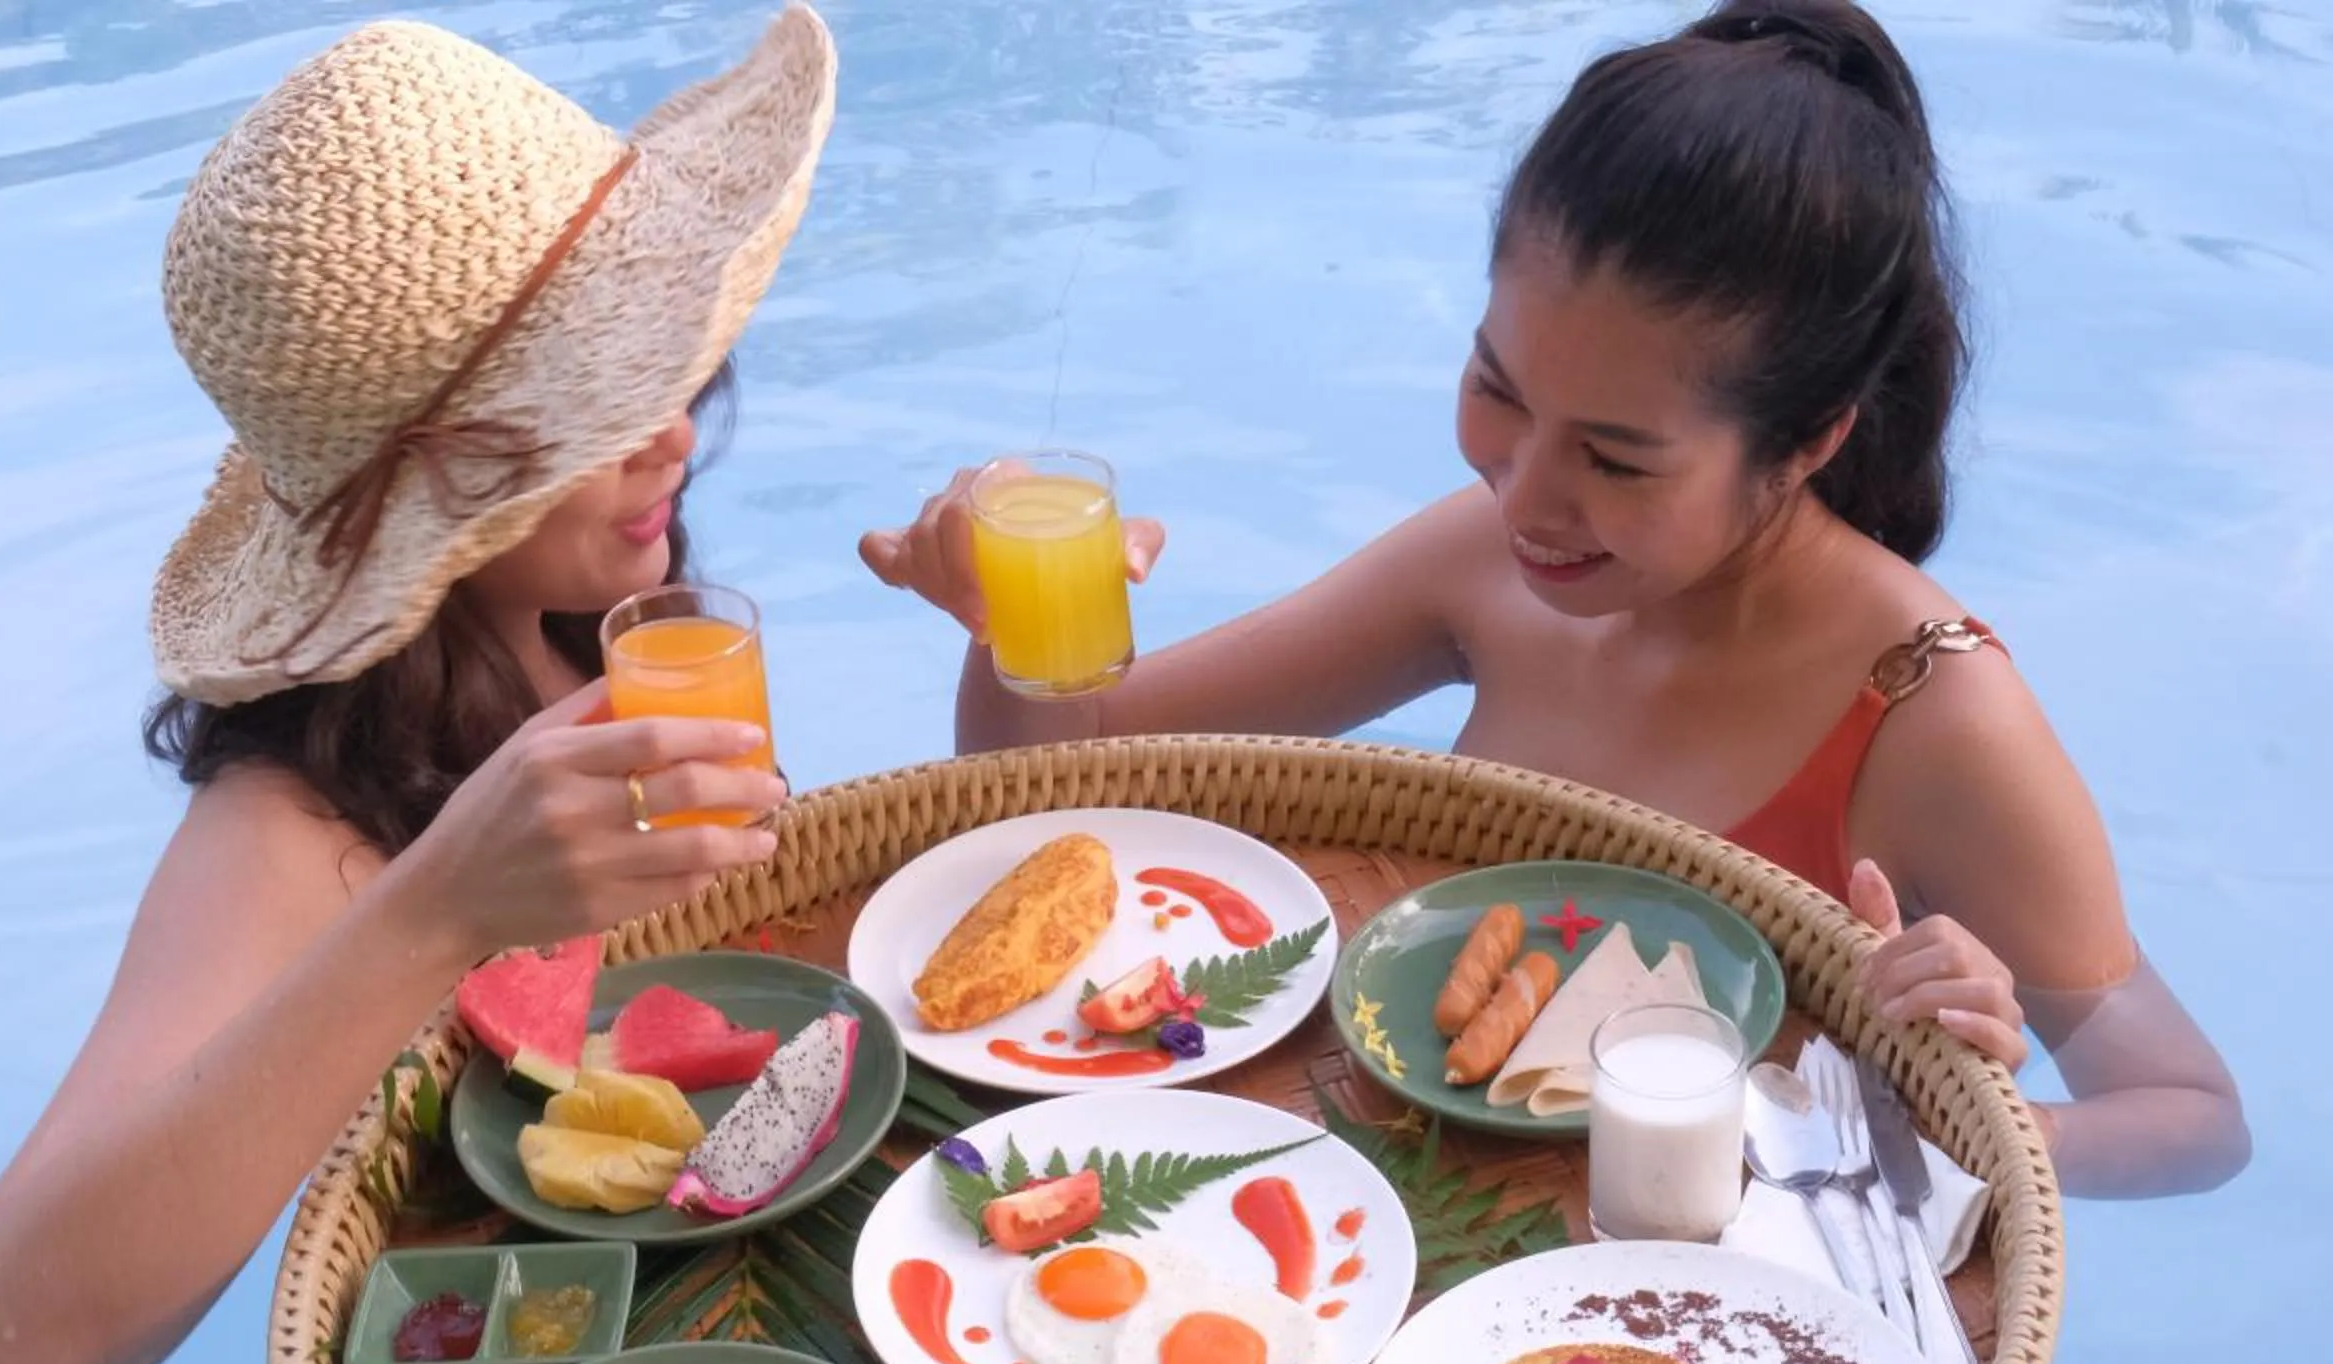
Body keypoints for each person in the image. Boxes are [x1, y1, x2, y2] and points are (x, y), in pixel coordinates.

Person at [862, 0, 2248, 1199]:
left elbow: (2194, 1120)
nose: (1526, 497)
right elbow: (1062, 775)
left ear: (1812, 437)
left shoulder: (1935, 719)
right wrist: (1010, 628)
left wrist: (1961, 1107)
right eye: (1499, 392)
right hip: (1411, 1222)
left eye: (1615, 458)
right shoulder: (1487, 562)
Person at [0, 7, 838, 1364]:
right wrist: (429, 914)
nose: (672, 432)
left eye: (664, 366)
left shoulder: (598, 632)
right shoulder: (288, 831)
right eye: (596, 410)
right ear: (446, 509)